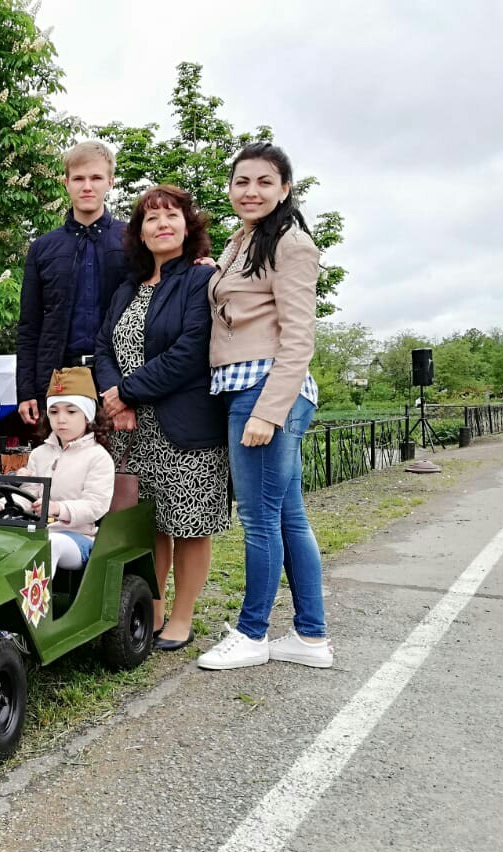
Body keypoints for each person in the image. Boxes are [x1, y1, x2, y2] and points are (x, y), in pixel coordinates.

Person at [197, 142, 333, 671]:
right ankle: (310, 637)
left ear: (284, 190)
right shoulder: (246, 239)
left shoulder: (291, 244)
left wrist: (267, 412)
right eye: (241, 182)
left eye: (263, 182)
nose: (250, 191)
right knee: (289, 519)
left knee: (258, 520)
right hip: (246, 385)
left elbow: (299, 337)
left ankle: (253, 634)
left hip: (265, 390)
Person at [95, 184, 229, 652]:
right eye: (151, 218)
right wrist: (114, 397)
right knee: (145, 526)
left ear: (188, 226)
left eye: (171, 215)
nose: (162, 224)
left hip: (184, 424)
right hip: (129, 430)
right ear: (139, 232)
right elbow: (103, 346)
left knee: (188, 524)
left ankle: (182, 617)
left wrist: (127, 393)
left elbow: (190, 351)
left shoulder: (199, 280)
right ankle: (149, 610)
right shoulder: (127, 288)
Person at [15, 140, 128, 424]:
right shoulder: (43, 247)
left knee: (118, 467)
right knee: (65, 465)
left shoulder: (132, 240)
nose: (87, 186)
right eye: (78, 178)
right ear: (66, 183)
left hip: (119, 379)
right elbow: (29, 325)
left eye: (96, 178)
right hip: (59, 379)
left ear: (110, 182)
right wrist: (26, 389)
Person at [0, 368, 114, 571]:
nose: (61, 419)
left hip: (79, 538)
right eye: (54, 411)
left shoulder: (98, 457)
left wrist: (58, 508)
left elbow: (96, 505)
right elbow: (27, 495)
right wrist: (0, 506)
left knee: (49, 544)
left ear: (87, 416)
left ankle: (35, 602)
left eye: (71, 411)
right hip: (35, 531)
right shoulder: (39, 454)